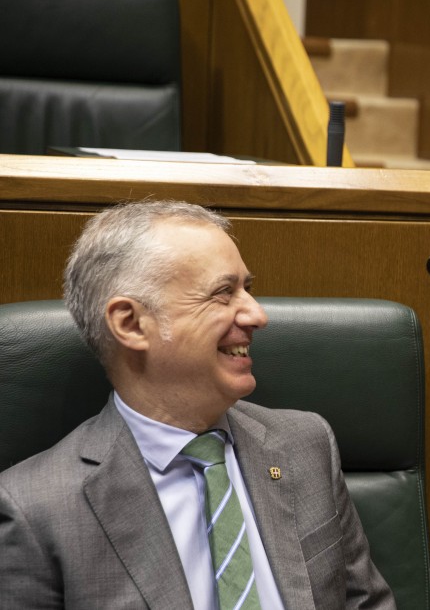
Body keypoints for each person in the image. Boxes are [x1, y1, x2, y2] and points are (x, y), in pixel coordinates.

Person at [0, 200, 396, 609]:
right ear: (131, 323)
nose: (258, 315)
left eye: (248, 289)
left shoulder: (305, 446)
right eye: (223, 294)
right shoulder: (36, 511)